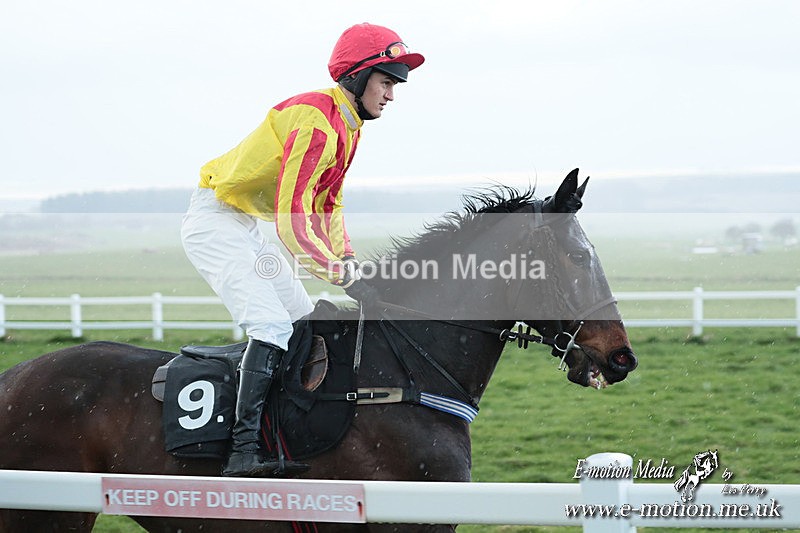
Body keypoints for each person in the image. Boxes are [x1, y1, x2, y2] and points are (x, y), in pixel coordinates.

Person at [180, 22, 425, 477]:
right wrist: (342, 276)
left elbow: (328, 203)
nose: (391, 94)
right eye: (387, 82)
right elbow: (293, 218)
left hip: (246, 226)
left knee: (302, 319)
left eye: (395, 85)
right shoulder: (316, 119)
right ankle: (242, 449)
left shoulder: (349, 126)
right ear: (357, 76)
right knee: (272, 325)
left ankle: (284, 429)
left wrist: (347, 260)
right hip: (215, 222)